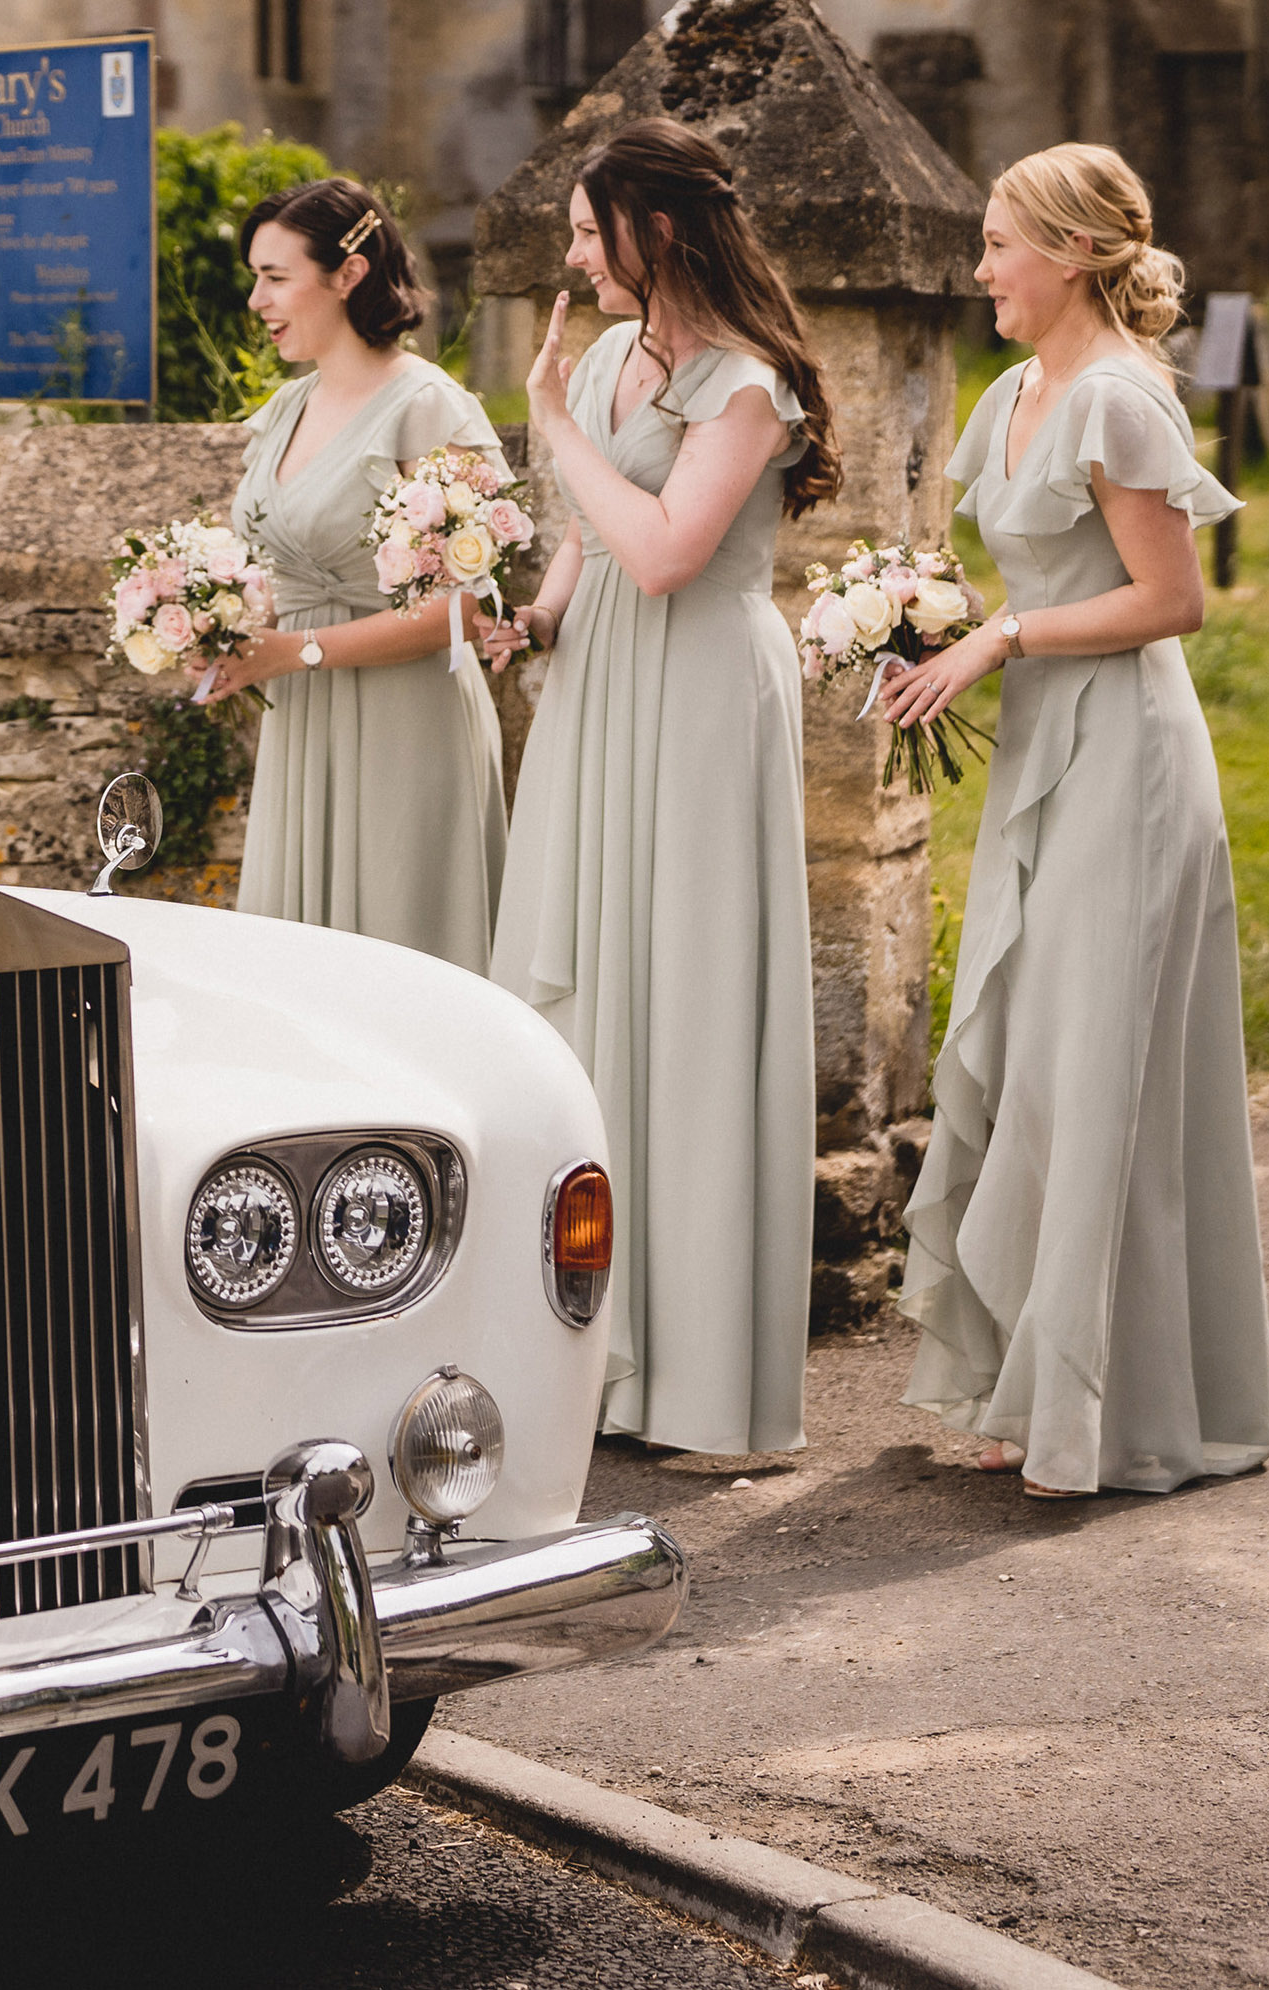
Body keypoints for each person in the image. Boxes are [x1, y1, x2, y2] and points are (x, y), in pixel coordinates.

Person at [875, 145, 1269, 1499]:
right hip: (1049, 750)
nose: (979, 268)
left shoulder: (1118, 401)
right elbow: (999, 579)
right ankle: (1020, 1378)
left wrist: (1001, 636)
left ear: (1069, 251)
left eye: (997, 244)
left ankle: (1098, 1410)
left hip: (1132, 762)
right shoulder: (1013, 397)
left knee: (1094, 1069)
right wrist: (911, 626)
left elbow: (1174, 600)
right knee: (1033, 1064)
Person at [477, 118, 836, 1456]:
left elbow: (674, 549)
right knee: (588, 985)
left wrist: (553, 425)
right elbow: (594, 534)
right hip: (604, 682)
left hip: (697, 694)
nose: (572, 252)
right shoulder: (622, 354)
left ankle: (690, 1369)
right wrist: (538, 616)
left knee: (681, 990)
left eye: (588, 229)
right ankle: (588, 1355)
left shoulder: (746, 385)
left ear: (658, 227)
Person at [196, 179, 512, 973]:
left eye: (275, 277)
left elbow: (464, 611)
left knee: (402, 958)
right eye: (255, 276)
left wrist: (293, 653)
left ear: (349, 274)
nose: (256, 299)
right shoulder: (286, 408)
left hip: (406, 724)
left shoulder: (430, 409)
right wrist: (216, 622)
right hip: (303, 723)